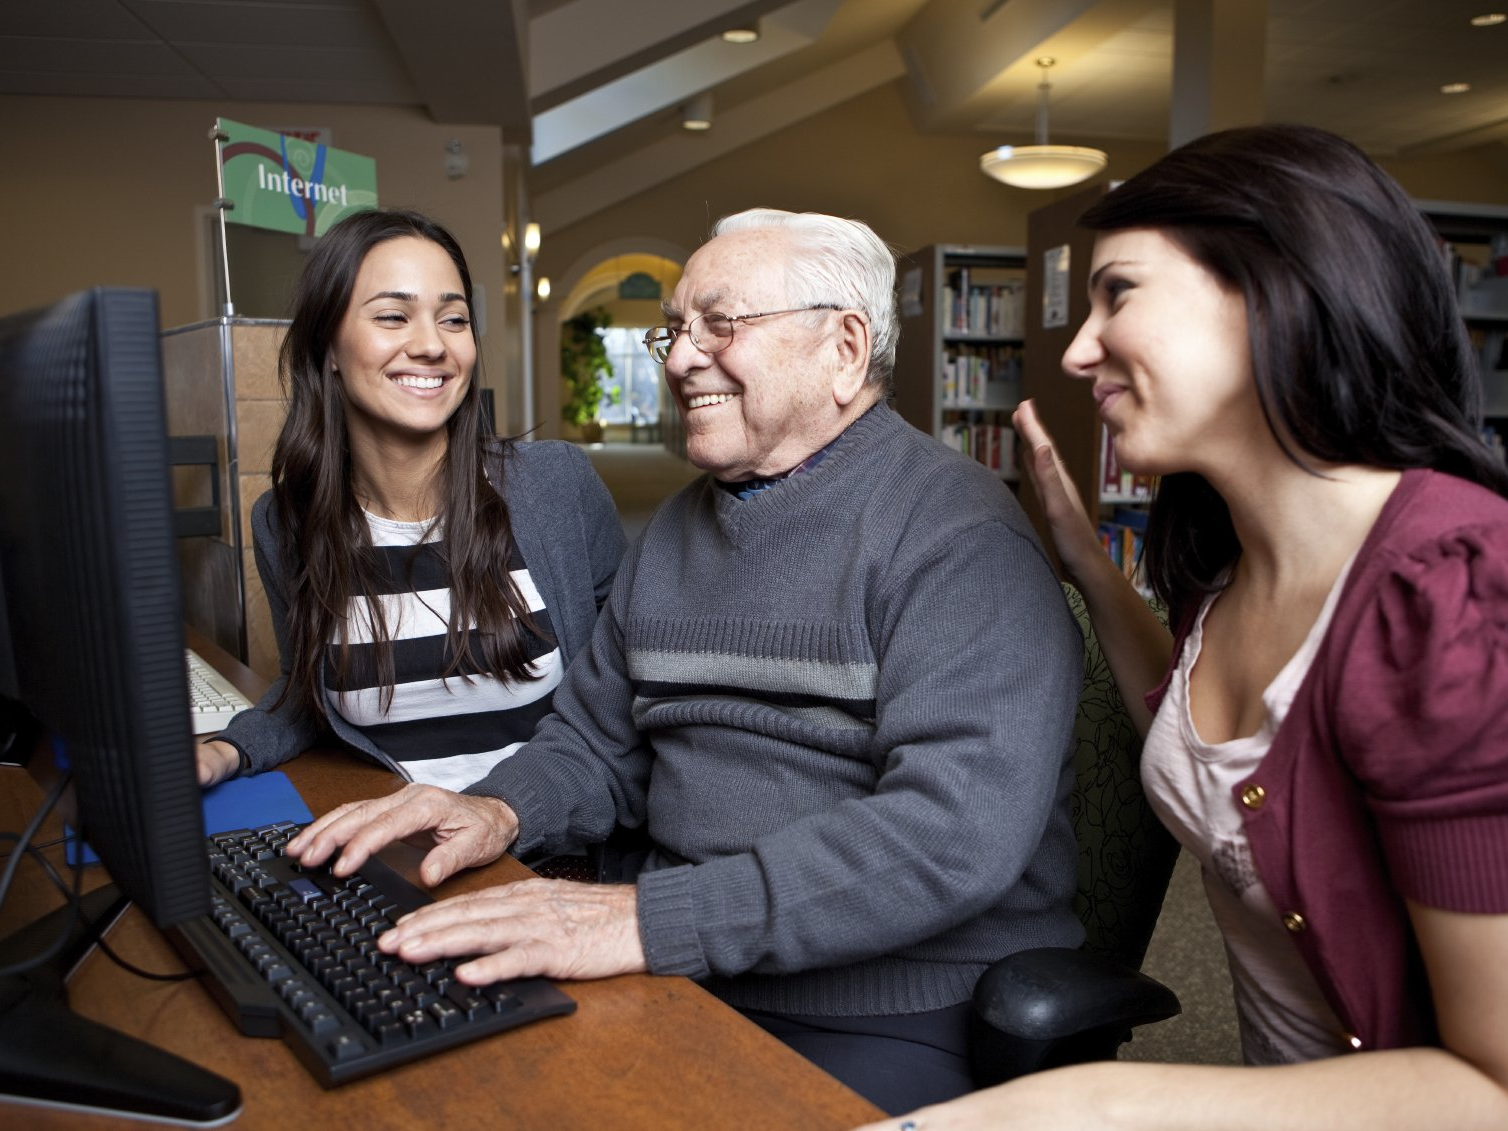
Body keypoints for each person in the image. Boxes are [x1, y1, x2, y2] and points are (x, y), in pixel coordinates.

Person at [284, 208, 1084, 1114]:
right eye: (677, 329)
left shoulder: (955, 536)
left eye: (721, 325)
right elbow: (595, 741)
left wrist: (648, 920)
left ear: (845, 348)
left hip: (889, 1002)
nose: (677, 358)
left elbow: (949, 835)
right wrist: (499, 808)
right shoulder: (673, 531)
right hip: (684, 961)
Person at [859, 124, 1508, 1131]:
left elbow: (1492, 1086)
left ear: (1274, 287)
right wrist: (1080, 554)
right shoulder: (1226, 560)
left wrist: (1093, 1105)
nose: (1076, 349)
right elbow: (1207, 726)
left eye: (1117, 292)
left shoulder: (1451, 599)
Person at [197, 208, 625, 794]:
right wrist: (226, 750)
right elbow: (306, 693)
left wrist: (500, 814)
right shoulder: (287, 522)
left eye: (453, 319)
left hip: (540, 847)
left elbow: (623, 693)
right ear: (328, 347)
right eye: (394, 316)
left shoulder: (557, 488)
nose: (431, 346)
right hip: (394, 847)